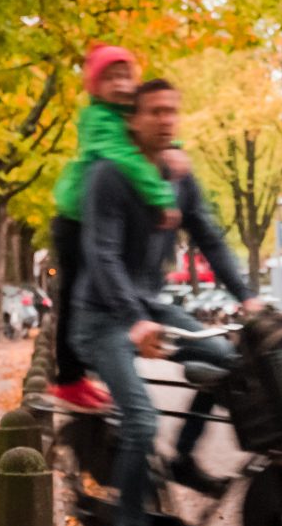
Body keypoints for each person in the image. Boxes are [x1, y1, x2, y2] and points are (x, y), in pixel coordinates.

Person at [70, 78, 264, 526]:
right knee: (139, 417)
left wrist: (248, 297)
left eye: (172, 111)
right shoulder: (109, 175)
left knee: (227, 360)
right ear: (132, 119)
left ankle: (181, 457)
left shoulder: (178, 175)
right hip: (102, 314)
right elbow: (102, 255)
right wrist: (135, 319)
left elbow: (210, 238)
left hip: (152, 305)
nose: (165, 119)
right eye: (154, 111)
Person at [49, 45, 189, 413]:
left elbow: (150, 137)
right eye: (110, 78)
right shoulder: (98, 120)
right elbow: (127, 155)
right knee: (73, 297)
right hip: (74, 220)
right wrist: (161, 193)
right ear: (94, 87)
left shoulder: (127, 113)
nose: (121, 84)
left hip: (92, 219)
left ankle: (84, 373)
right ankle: (68, 380)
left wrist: (174, 146)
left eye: (126, 75)